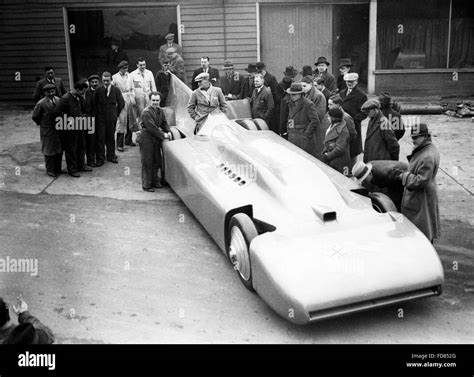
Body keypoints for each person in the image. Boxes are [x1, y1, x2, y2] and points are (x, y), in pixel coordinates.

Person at [397, 123, 441, 242]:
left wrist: (404, 176)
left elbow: (421, 181)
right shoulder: (429, 148)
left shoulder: (427, 156)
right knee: (425, 228)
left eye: (416, 137)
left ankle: (424, 254)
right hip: (425, 195)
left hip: (421, 198)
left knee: (421, 230)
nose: (413, 141)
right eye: (412, 137)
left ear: (425, 136)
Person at [54, 78, 91, 177]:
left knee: (81, 146)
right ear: (78, 90)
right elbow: (57, 114)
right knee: (71, 149)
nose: (84, 94)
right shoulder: (65, 99)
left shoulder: (78, 97)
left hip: (79, 126)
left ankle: (81, 165)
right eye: (83, 91)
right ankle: (72, 169)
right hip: (69, 129)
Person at [139, 91, 172, 192]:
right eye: (153, 100)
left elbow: (164, 123)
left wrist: (169, 131)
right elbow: (152, 128)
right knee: (147, 161)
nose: (155, 102)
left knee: (156, 161)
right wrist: (164, 135)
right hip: (146, 138)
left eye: (157, 100)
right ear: (150, 100)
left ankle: (154, 181)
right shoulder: (146, 112)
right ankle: (147, 184)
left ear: (160, 101)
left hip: (155, 138)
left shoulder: (160, 111)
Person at [32, 84, 63, 177]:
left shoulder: (58, 100)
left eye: (52, 91)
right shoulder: (41, 103)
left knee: (58, 150)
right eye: (48, 92)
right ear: (44, 93)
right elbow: (35, 116)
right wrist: (43, 124)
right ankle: (50, 170)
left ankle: (58, 168)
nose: (51, 93)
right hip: (47, 130)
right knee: (48, 151)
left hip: (58, 129)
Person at [94, 72, 125, 165]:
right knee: (101, 138)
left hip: (111, 118)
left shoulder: (116, 90)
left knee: (111, 137)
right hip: (101, 118)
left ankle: (111, 156)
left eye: (107, 81)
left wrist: (116, 113)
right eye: (104, 81)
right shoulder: (98, 90)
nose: (106, 82)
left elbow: (121, 103)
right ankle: (100, 158)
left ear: (111, 80)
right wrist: (97, 114)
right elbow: (94, 103)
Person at [285, 82, 320, 157]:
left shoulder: (308, 104)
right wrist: (288, 130)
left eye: (294, 94)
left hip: (303, 138)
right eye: (291, 94)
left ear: (300, 94)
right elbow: (290, 118)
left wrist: (306, 135)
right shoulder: (290, 103)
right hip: (292, 136)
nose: (292, 96)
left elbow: (315, 121)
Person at [340, 72, 367, 162]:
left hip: (354, 125)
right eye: (347, 82)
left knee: (352, 148)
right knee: (342, 146)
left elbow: (364, 113)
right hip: (342, 124)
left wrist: (353, 120)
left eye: (351, 82)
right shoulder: (342, 93)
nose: (349, 84)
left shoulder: (361, 95)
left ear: (356, 82)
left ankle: (352, 168)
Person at [328, 95, 357, 168]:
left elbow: (352, 135)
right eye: (328, 104)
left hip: (345, 151)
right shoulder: (333, 115)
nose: (328, 106)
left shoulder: (346, 118)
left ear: (338, 105)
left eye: (331, 104)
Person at [112, 61, 135, 152]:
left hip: (129, 98)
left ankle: (128, 140)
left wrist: (133, 98)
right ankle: (119, 144)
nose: (125, 70)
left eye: (126, 68)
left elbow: (132, 88)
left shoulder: (129, 76)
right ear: (120, 68)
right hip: (120, 99)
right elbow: (113, 89)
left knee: (130, 120)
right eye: (124, 68)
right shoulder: (115, 77)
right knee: (121, 121)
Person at [321, 107, 351, 174]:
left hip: (338, 162)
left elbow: (340, 148)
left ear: (334, 118)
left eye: (329, 117)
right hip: (332, 159)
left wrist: (328, 156)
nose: (328, 118)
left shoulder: (342, 131)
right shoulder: (333, 125)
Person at [130, 57, 157, 128]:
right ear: (137, 65)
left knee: (149, 114)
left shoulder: (149, 73)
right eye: (141, 65)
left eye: (144, 65)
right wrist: (132, 98)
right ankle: (140, 130)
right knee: (140, 115)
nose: (143, 67)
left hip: (148, 97)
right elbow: (131, 89)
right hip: (138, 98)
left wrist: (155, 96)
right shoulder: (132, 75)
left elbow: (153, 86)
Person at [256, 62, 280, 132]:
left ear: (264, 69)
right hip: (260, 109)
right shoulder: (257, 78)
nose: (260, 72)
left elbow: (276, 94)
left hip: (270, 108)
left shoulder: (271, 78)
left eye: (261, 71)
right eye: (258, 71)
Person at [84, 74, 100, 167]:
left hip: (99, 120)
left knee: (99, 140)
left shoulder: (101, 91)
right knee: (90, 141)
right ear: (89, 83)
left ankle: (99, 158)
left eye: (96, 82)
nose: (94, 84)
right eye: (92, 82)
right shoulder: (87, 93)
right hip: (90, 120)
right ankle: (90, 160)